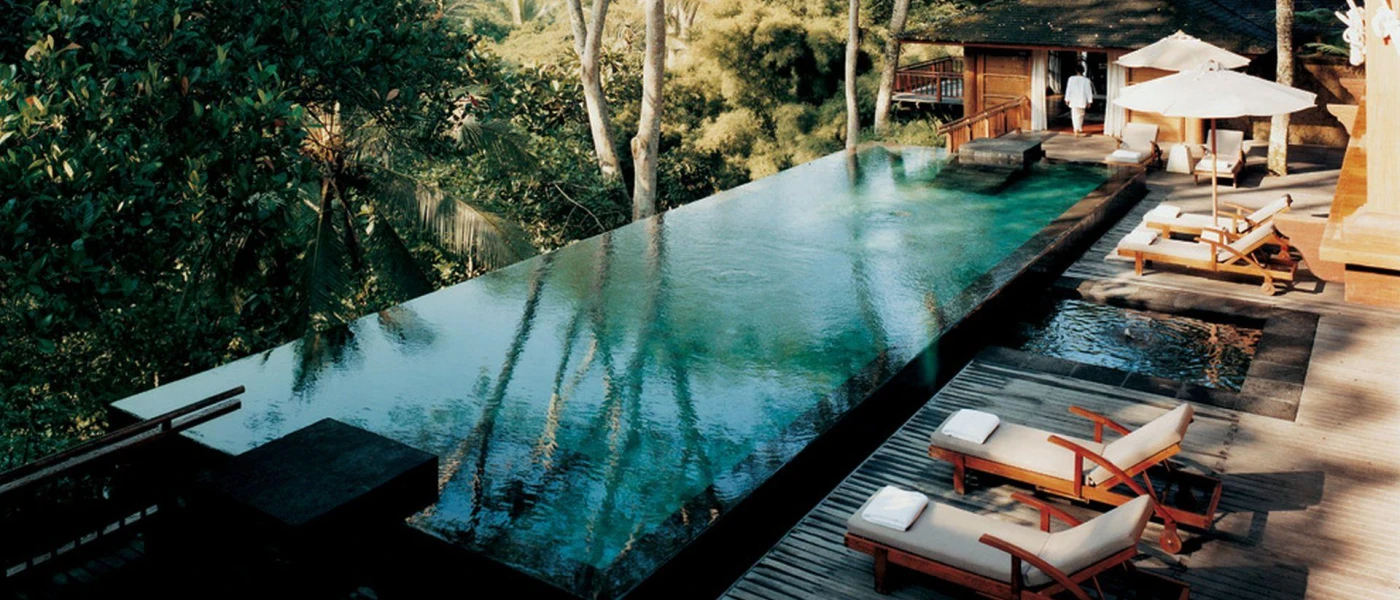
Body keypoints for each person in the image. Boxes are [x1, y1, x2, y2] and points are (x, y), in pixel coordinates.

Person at [1064, 65, 1095, 136]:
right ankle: (1078, 128)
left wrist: (1067, 99)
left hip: (1074, 99)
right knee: (1081, 115)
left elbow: (1068, 89)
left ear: (1076, 71)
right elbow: (1088, 91)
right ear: (1083, 71)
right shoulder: (1086, 80)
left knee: (1074, 115)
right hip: (1082, 99)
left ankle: (1076, 129)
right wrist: (1089, 101)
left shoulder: (1071, 79)